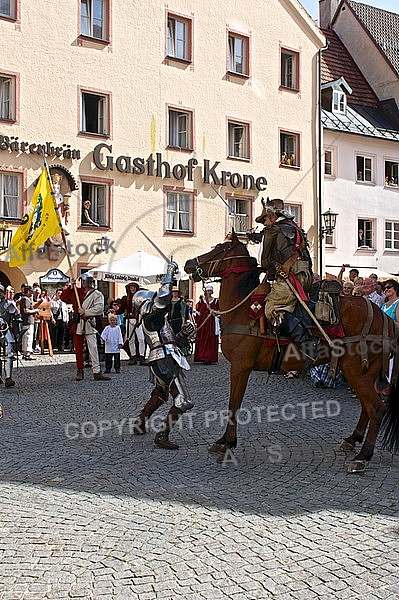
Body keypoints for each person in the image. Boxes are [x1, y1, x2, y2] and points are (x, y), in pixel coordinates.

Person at [247, 197, 318, 366]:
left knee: (273, 309)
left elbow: (263, 261)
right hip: (305, 275)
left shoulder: (272, 230)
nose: (264, 223)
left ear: (272, 216)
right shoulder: (296, 228)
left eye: (265, 219)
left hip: (291, 279)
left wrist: (272, 268)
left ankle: (306, 343)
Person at [132, 261, 194, 449]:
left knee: (160, 394)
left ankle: (140, 422)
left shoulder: (157, 320)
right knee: (183, 401)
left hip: (165, 357)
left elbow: (171, 341)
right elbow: (163, 299)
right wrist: (169, 273)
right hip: (164, 360)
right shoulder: (152, 317)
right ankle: (162, 434)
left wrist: (183, 334)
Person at [61, 273, 111, 381]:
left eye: (84, 281)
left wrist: (86, 312)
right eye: (82, 281)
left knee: (93, 347)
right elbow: (63, 297)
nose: (83, 283)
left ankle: (96, 371)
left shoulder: (97, 294)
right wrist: (70, 286)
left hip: (89, 322)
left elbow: (99, 309)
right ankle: (80, 370)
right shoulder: (76, 292)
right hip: (78, 322)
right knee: (78, 349)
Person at [116, 281, 146, 365]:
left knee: (141, 339)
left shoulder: (140, 298)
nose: (132, 289)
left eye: (134, 287)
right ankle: (133, 356)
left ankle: (142, 356)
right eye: (131, 288)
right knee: (131, 339)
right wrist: (115, 312)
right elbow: (122, 309)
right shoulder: (126, 299)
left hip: (138, 319)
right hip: (129, 319)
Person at [0, 284, 23, 387]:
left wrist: (17, 332)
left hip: (5, 330)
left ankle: (8, 377)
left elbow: (18, 317)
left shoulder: (9, 304)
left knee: (9, 354)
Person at [194, 284, 220, 364]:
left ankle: (210, 357)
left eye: (210, 291)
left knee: (211, 339)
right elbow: (197, 312)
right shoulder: (201, 301)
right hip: (203, 323)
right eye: (207, 291)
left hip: (211, 322)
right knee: (202, 338)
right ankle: (202, 356)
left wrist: (214, 313)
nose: (208, 292)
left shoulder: (215, 301)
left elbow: (219, 311)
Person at [19, 285, 41, 360]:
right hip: (28, 321)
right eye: (31, 292)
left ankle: (26, 353)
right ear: (27, 291)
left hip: (27, 321)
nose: (32, 293)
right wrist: (36, 310)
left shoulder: (25, 299)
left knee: (26, 338)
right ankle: (27, 354)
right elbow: (26, 310)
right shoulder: (25, 299)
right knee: (28, 337)